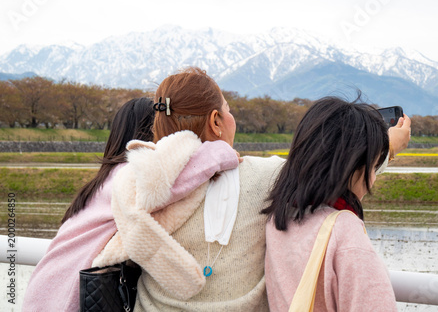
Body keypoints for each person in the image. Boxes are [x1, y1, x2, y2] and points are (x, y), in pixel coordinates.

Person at [94, 68, 410, 312]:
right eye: (229, 110)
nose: (233, 118)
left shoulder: (136, 183)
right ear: (217, 121)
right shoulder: (266, 176)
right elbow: (330, 170)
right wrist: (388, 146)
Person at [263, 97, 399, 311]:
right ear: (351, 166)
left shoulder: (278, 219)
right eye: (373, 167)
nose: (372, 179)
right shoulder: (345, 232)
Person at [22, 97, 155, 311]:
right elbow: (180, 189)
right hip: (65, 298)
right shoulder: (129, 175)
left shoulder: (105, 178)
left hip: (45, 289)